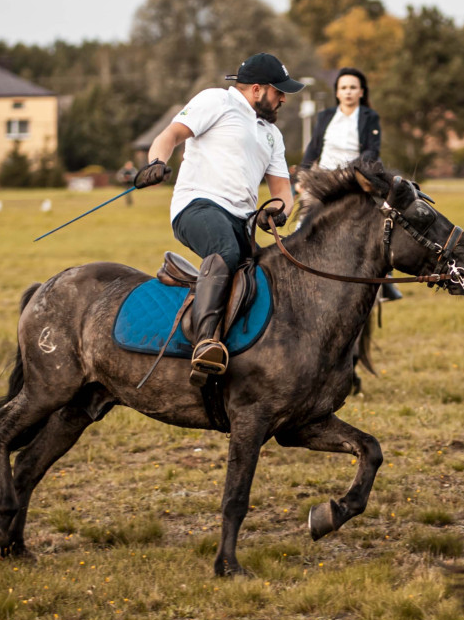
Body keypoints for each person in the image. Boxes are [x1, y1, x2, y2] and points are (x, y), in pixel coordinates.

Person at [133, 53, 302, 386]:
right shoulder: (216, 101)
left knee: (263, 274)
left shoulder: (272, 135)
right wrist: (155, 161)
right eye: (278, 91)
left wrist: (279, 211)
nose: (283, 98)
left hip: (243, 220)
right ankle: (205, 343)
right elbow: (170, 136)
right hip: (197, 206)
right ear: (256, 90)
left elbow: (282, 189)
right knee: (225, 250)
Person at [300, 67, 401, 300]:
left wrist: (351, 173)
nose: (348, 92)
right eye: (343, 88)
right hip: (322, 179)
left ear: (361, 92)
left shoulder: (369, 117)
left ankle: (384, 279)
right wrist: (302, 178)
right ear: (337, 92)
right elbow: (314, 148)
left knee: (383, 218)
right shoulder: (325, 116)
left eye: (353, 88)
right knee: (303, 223)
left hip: (354, 179)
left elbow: (371, 150)